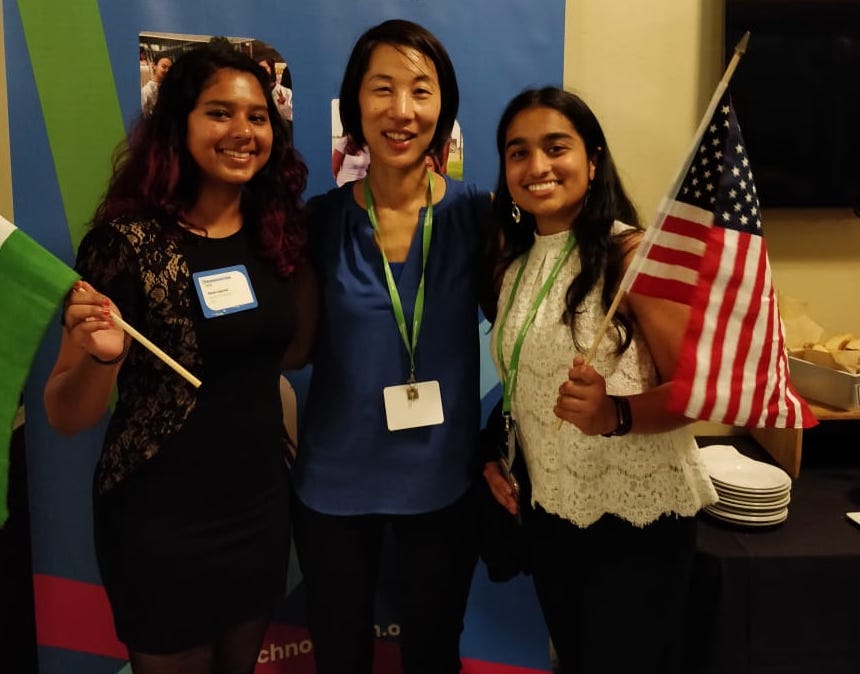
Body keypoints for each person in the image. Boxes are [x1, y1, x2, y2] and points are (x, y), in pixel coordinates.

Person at [44, 41, 313, 674]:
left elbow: (293, 351)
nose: (242, 131)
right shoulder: (124, 245)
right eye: (219, 113)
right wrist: (102, 359)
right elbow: (64, 412)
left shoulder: (280, 233)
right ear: (178, 125)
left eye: (256, 116)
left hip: (258, 510)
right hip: (160, 523)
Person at [483, 87, 718, 674]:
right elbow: (525, 382)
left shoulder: (632, 253)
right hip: (554, 516)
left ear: (592, 160)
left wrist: (617, 414)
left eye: (555, 147)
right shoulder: (512, 266)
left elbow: (699, 390)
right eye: (518, 152)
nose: (536, 166)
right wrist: (498, 454)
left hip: (635, 525)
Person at [291, 19, 491, 674]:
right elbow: (290, 348)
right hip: (334, 488)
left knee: (434, 655)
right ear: (354, 108)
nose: (401, 111)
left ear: (444, 108)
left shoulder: (479, 218)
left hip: (442, 484)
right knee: (340, 658)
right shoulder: (317, 224)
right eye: (382, 89)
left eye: (421, 91)